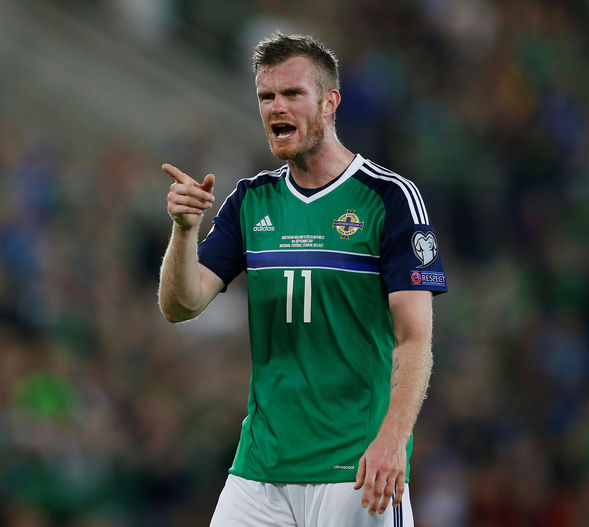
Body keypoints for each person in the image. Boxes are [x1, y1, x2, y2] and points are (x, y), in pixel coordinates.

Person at [158, 32, 447, 526]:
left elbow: (414, 336)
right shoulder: (251, 201)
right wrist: (185, 231)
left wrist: (392, 441)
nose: (276, 107)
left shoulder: (389, 198)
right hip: (259, 470)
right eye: (266, 97)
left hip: (354, 466)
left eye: (292, 94)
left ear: (330, 101)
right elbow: (180, 305)